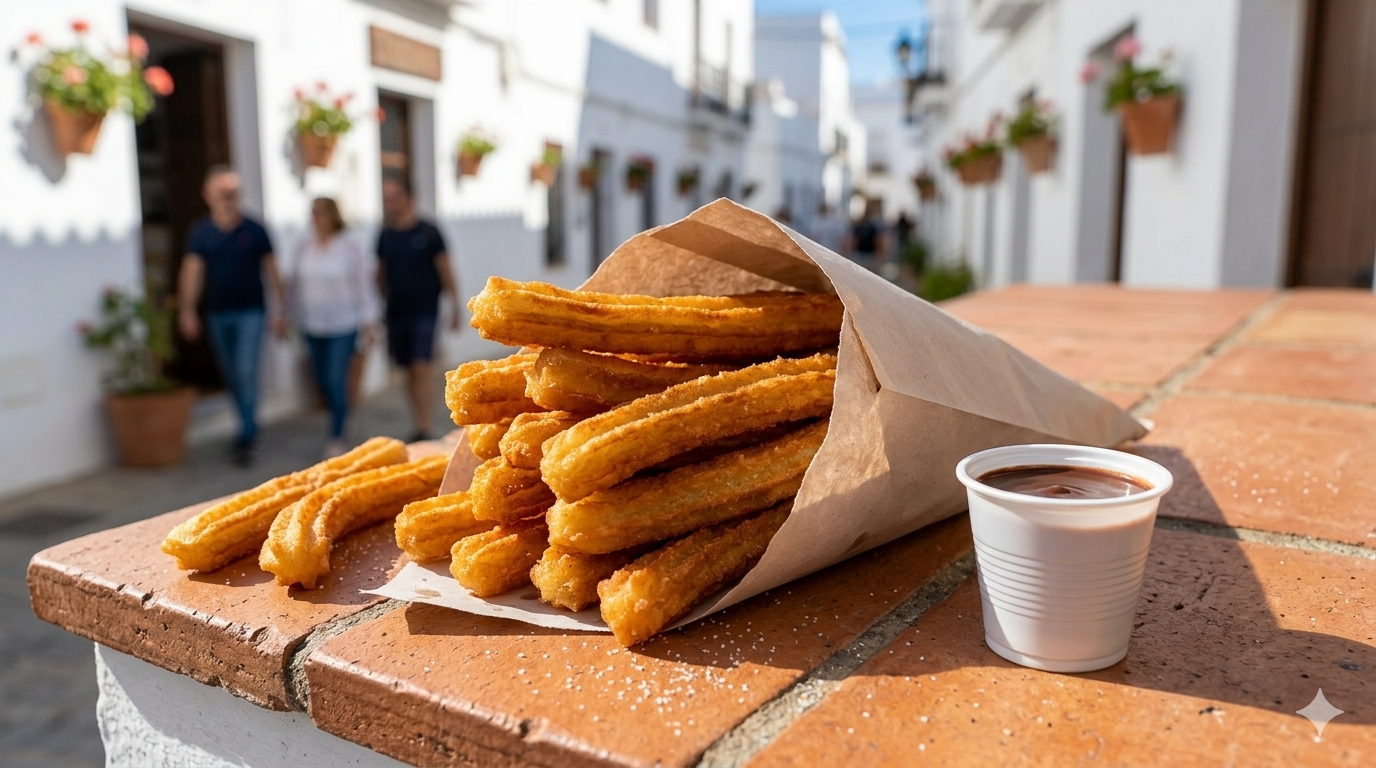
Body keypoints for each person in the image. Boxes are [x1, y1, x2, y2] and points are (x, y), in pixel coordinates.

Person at [177, 165, 286, 466]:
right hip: (217, 314)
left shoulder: (254, 229)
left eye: (233, 192)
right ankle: (245, 423)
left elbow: (273, 270)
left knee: (244, 368)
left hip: (251, 312)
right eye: (222, 192)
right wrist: (187, 310)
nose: (228, 198)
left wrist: (280, 310)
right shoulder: (201, 232)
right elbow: (192, 270)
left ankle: (247, 433)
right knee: (232, 374)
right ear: (207, 195)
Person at [289, 197, 379, 458]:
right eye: (313, 213)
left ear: (332, 215)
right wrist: (286, 314)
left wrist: (369, 321)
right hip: (312, 324)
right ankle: (336, 418)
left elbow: (363, 285)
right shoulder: (305, 247)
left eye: (320, 213)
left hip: (344, 323)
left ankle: (337, 433)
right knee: (321, 379)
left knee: (334, 377)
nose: (316, 218)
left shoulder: (349, 247)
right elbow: (295, 285)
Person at [376, 176, 461, 441]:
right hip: (396, 311)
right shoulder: (386, 235)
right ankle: (417, 421)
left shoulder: (428, 232)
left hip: (425, 309)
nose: (390, 204)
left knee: (422, 365)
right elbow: (380, 272)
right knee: (406, 369)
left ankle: (425, 425)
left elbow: (445, 268)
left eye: (394, 198)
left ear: (408, 199)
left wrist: (455, 305)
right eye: (386, 199)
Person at [845, 202, 888, 274]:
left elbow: (854, 240)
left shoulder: (862, 227)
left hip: (865, 255)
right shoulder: (872, 227)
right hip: (867, 255)